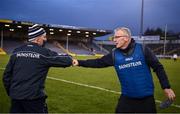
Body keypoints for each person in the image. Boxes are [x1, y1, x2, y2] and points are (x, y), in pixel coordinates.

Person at [73, 27, 176, 113]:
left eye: (117, 37)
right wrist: (79, 62)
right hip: (126, 99)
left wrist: (166, 87)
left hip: (146, 100)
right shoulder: (114, 54)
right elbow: (98, 63)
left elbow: (158, 67)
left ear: (126, 38)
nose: (114, 40)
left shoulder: (143, 50)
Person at [3, 24, 73, 113]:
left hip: (16, 98)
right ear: (38, 38)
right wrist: (69, 57)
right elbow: (66, 60)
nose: (45, 39)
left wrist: (12, 92)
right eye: (44, 37)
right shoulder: (43, 53)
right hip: (34, 99)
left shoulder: (16, 51)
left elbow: (6, 76)